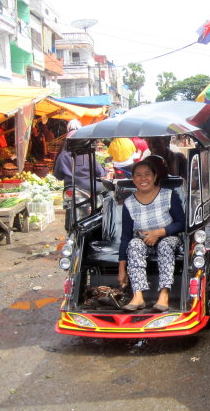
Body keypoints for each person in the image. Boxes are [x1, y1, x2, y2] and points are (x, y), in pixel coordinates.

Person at [117, 156, 185, 312]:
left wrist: (159, 232)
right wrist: (122, 269)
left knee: (166, 245)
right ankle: (138, 296)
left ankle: (164, 295)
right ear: (133, 179)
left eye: (147, 174)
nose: (143, 178)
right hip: (143, 241)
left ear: (154, 176)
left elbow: (181, 223)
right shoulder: (129, 203)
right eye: (138, 175)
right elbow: (126, 236)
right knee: (133, 244)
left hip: (169, 238)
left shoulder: (168, 195)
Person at [53, 120, 106, 191]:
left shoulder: (62, 156)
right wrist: (105, 170)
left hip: (70, 189)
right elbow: (99, 172)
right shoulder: (88, 154)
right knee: (106, 190)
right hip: (89, 187)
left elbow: (58, 176)